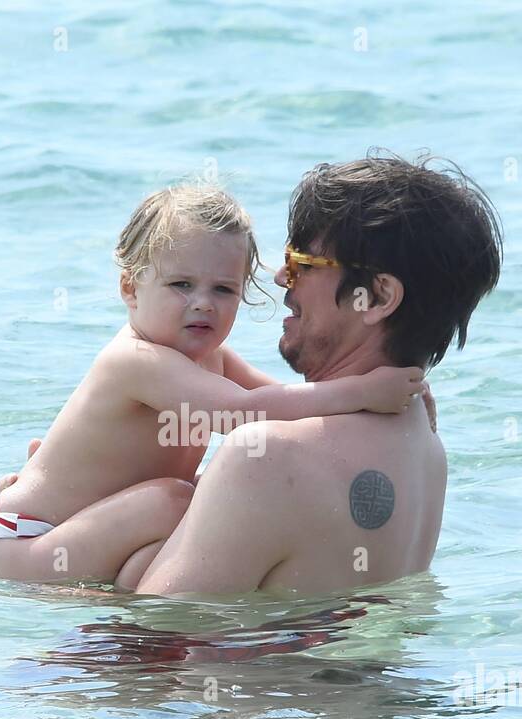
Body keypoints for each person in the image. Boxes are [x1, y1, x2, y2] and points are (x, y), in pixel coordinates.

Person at [0, 182, 429, 586]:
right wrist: (362, 392)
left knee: (170, 529)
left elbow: (289, 407)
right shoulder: (137, 360)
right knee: (175, 500)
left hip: (95, 527)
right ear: (130, 287)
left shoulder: (212, 358)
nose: (203, 303)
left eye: (223, 289)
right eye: (181, 285)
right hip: (32, 542)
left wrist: (394, 397)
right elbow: (246, 413)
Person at [135, 153, 502, 595]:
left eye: (301, 263)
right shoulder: (427, 450)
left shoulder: (267, 456)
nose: (279, 278)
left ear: (377, 296)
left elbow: (159, 637)